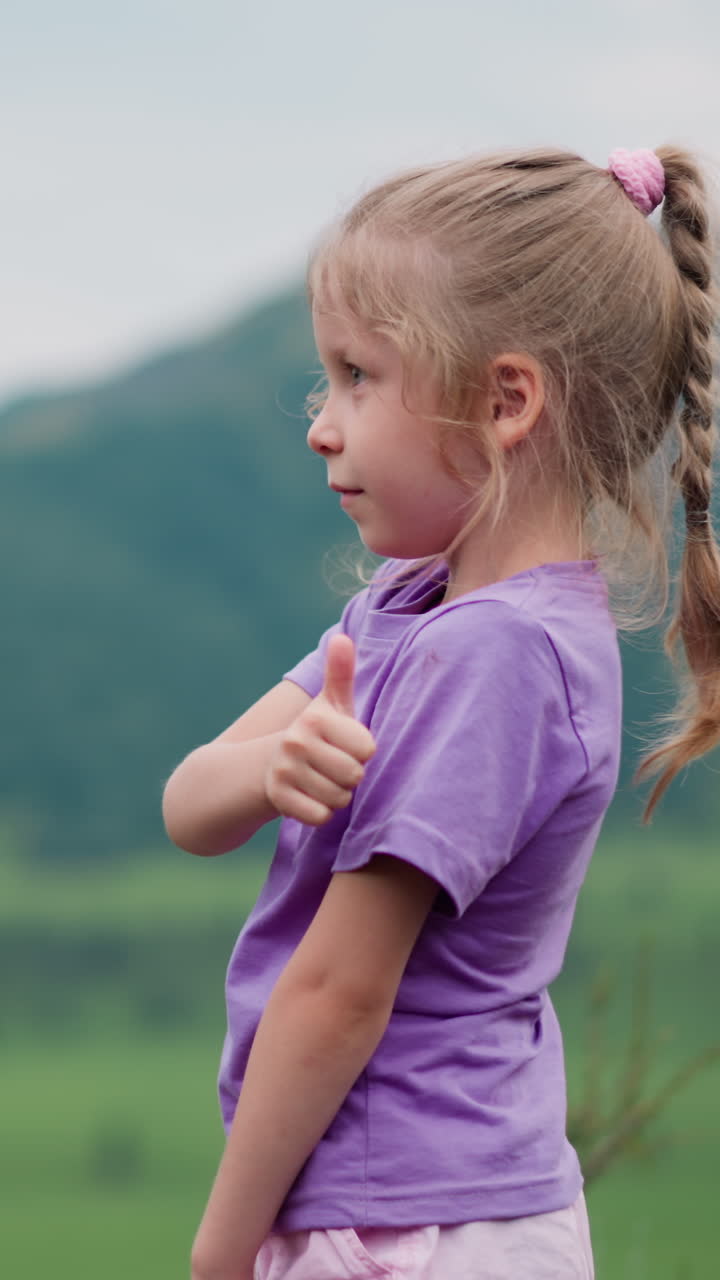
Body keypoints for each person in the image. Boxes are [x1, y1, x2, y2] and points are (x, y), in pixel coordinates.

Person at [162, 144, 720, 1280]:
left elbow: (339, 988)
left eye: (358, 377)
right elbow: (190, 801)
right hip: (402, 1206)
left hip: (415, 1228)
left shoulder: (497, 655)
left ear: (507, 399)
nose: (322, 422)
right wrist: (269, 772)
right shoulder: (409, 605)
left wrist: (219, 1250)